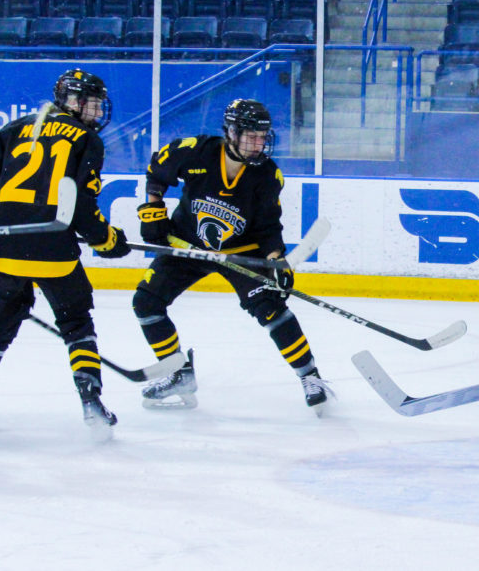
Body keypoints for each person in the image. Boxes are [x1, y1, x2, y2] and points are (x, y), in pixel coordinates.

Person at [133, 98, 332, 410]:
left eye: (262, 137)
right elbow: (157, 173)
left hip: (241, 251)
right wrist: (154, 207)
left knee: (271, 309)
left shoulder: (266, 175)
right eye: (251, 136)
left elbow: (268, 227)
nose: (258, 144)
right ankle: (178, 373)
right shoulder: (194, 151)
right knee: (146, 302)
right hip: (189, 244)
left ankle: (310, 376)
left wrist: (277, 258)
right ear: (231, 132)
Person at [0, 68, 131, 433]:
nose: (96, 112)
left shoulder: (15, 128)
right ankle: (90, 398)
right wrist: (106, 240)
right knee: (76, 321)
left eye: (98, 104)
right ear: (72, 101)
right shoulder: (86, 139)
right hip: (51, 251)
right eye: (91, 103)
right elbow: (80, 205)